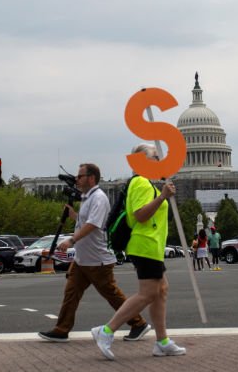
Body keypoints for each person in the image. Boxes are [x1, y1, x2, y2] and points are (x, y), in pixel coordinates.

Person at [38, 163, 150, 343]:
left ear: (91, 178)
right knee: (71, 293)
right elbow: (86, 221)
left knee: (112, 295)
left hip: (97, 260)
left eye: (80, 176)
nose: (77, 179)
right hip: (84, 259)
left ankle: (138, 323)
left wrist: (71, 240)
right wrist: (74, 215)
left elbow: (93, 225)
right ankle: (61, 329)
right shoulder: (88, 198)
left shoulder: (98, 198)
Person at [92, 143, 185, 360]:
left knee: (161, 289)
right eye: (154, 157)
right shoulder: (142, 183)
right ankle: (106, 331)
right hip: (145, 244)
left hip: (150, 245)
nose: (158, 161)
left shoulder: (143, 183)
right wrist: (162, 197)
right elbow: (141, 215)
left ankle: (162, 341)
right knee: (148, 293)